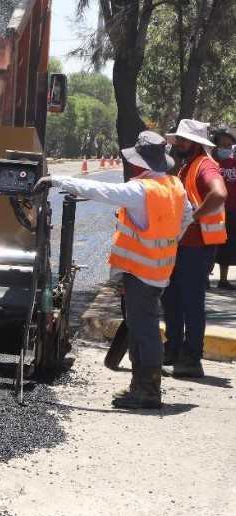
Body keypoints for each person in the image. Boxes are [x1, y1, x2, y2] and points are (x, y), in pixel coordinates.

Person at [34, 131, 191, 409]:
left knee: (145, 330)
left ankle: (148, 391)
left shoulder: (140, 190)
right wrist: (169, 242)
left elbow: (101, 191)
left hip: (141, 272)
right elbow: (187, 217)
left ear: (140, 163)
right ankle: (140, 385)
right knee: (144, 327)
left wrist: (57, 180)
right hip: (160, 270)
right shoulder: (174, 186)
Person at [163, 118, 227, 377]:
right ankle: (175, 347)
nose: (177, 142)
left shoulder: (204, 166)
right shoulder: (188, 166)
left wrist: (194, 216)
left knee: (191, 302)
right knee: (173, 300)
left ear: (196, 143)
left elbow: (219, 194)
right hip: (184, 247)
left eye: (182, 139)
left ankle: (191, 356)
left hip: (197, 249)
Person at [211, 128, 236, 289]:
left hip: (232, 210)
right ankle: (204, 279)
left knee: (228, 246)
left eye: (229, 145)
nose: (226, 148)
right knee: (210, 245)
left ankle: (224, 280)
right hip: (214, 211)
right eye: (223, 144)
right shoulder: (210, 163)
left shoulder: (234, 163)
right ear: (215, 146)